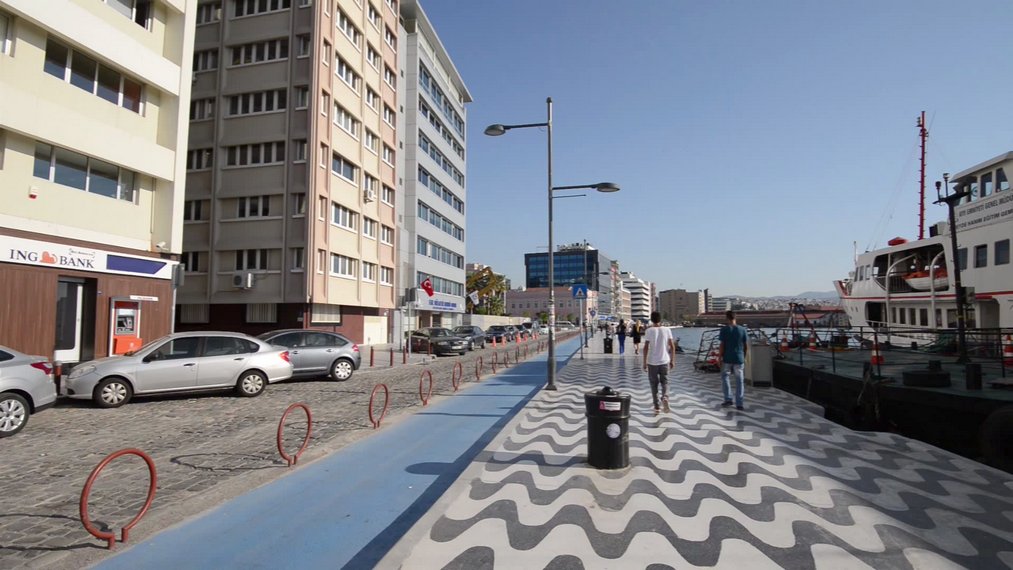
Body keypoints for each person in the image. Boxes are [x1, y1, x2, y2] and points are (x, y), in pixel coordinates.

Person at [642, 311, 675, 414]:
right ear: (660, 319)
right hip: (665, 360)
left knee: (654, 384)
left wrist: (644, 362)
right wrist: (672, 360)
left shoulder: (649, 331)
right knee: (665, 382)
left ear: (651, 319)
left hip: (652, 362)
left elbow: (646, 347)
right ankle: (665, 397)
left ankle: (657, 406)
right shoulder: (667, 330)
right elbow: (672, 346)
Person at [718, 310, 749, 410]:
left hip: (727, 357)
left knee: (725, 377)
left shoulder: (724, 330)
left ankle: (728, 399)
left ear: (727, 318)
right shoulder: (742, 330)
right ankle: (739, 403)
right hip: (739, 357)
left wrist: (719, 357)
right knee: (740, 380)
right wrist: (744, 356)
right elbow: (746, 346)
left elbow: (722, 345)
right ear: (735, 317)